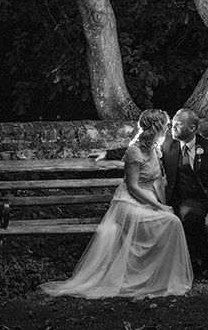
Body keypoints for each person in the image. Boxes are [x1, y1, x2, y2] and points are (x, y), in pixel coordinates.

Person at [38, 109, 193, 299]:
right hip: (128, 202)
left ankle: (159, 276)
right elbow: (133, 187)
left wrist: (165, 205)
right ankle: (138, 277)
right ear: (157, 127)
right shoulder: (134, 151)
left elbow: (158, 182)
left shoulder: (155, 148)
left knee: (172, 221)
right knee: (171, 222)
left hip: (147, 199)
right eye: (166, 125)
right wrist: (159, 207)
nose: (168, 128)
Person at [98, 108, 208, 289]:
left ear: (192, 128)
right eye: (172, 123)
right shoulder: (167, 144)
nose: (172, 127)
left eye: (178, 124)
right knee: (191, 217)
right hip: (189, 199)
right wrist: (107, 154)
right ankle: (203, 264)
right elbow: (138, 149)